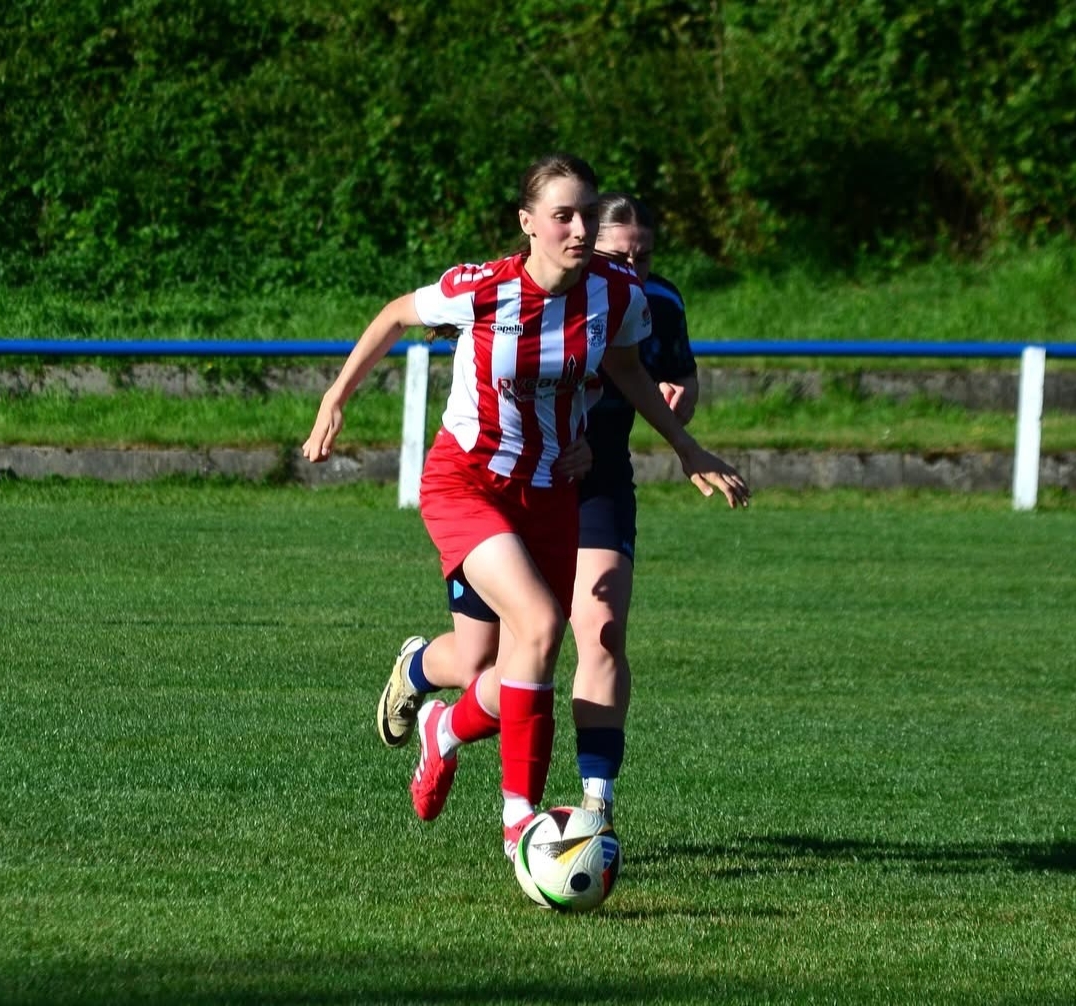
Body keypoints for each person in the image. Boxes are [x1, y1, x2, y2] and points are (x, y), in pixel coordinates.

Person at [309, 154, 748, 858]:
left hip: (549, 493)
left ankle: (442, 729)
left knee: (507, 666)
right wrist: (336, 398)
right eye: (563, 215)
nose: (579, 229)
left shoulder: (617, 294)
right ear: (528, 223)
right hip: (467, 483)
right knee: (541, 627)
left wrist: (686, 447)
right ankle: (521, 822)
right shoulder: (484, 289)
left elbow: (628, 370)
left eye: (587, 214)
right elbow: (394, 316)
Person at [375, 192, 709, 831]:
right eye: (617, 254)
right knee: (481, 662)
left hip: (594, 480)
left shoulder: (647, 299)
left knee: (594, 632)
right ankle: (425, 686)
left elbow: (660, 374)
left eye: (642, 257)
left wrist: (682, 422)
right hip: (511, 477)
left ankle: (592, 806)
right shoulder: (516, 291)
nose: (629, 268)